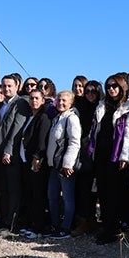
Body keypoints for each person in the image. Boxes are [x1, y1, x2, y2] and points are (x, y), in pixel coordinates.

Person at [93, 74, 129, 244]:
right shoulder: (102, 106)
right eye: (109, 86)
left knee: (114, 193)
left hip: (116, 155)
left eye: (115, 86)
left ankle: (114, 229)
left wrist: (125, 156)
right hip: (101, 153)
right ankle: (106, 226)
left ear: (121, 87)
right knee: (103, 192)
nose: (111, 89)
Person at [0, 74, 32, 234]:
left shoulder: (20, 104)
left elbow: (16, 130)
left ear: (17, 86)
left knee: (13, 190)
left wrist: (8, 151)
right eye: (4, 86)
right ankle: (3, 220)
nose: (6, 88)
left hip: (11, 155)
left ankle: (11, 223)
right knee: (3, 189)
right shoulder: (1, 104)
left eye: (10, 86)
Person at [45, 91, 82, 239]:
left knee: (67, 197)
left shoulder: (71, 118)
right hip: (54, 165)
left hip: (65, 165)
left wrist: (68, 164)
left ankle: (66, 227)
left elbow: (75, 141)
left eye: (64, 100)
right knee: (52, 196)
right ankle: (55, 224)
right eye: (58, 100)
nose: (60, 103)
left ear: (71, 103)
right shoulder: (57, 118)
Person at [19, 89, 51, 238]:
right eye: (31, 98)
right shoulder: (30, 117)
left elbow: (42, 140)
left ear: (43, 101)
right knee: (30, 193)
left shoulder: (43, 117)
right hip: (26, 160)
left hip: (37, 161)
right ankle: (30, 224)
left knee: (38, 195)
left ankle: (37, 227)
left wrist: (37, 156)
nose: (34, 101)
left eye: (37, 98)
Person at [72, 80, 101, 236]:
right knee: (83, 188)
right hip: (82, 152)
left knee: (94, 190)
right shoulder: (80, 107)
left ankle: (92, 220)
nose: (90, 94)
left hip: (98, 153)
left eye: (93, 91)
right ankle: (83, 221)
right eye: (87, 91)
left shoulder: (101, 107)